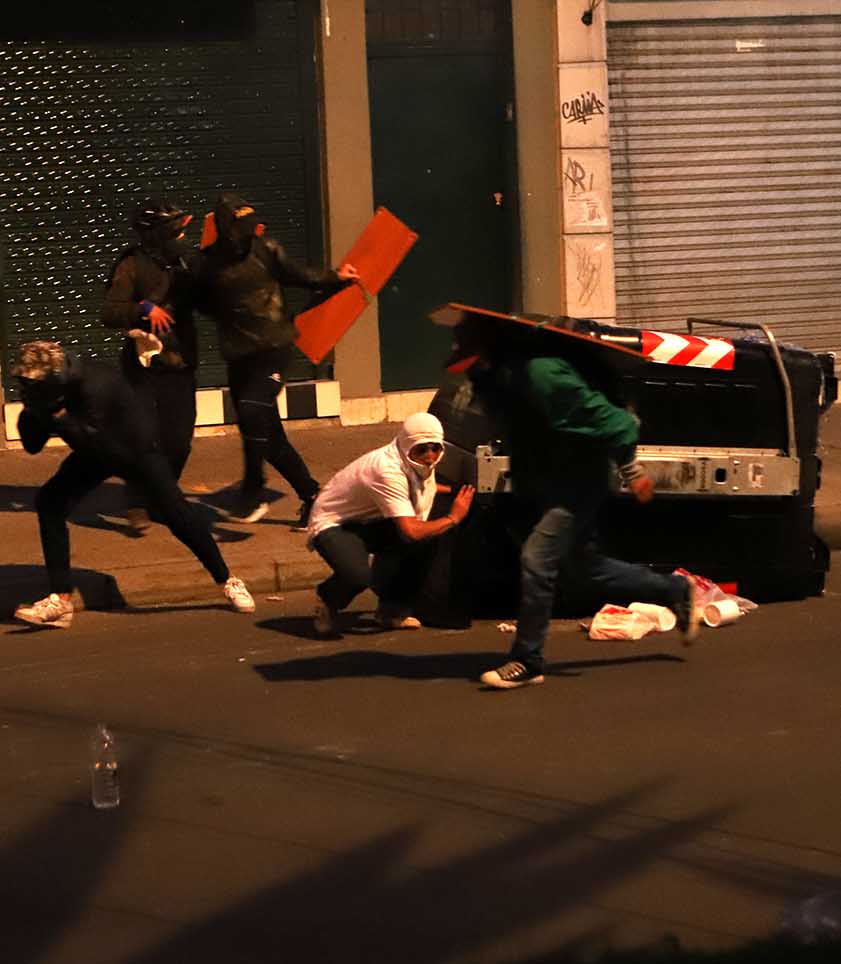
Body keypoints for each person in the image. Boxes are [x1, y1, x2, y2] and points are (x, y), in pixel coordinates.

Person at [453, 320, 699, 690]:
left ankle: (527, 659)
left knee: (537, 559)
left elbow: (617, 422)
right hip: (546, 483)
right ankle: (675, 589)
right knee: (586, 569)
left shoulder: (542, 374)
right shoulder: (501, 376)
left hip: (577, 484)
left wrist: (632, 471)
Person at [9, 340, 256, 629]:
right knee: (50, 502)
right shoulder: (51, 398)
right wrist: (35, 415)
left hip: (132, 449)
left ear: (54, 380)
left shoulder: (94, 386)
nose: (27, 389)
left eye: (33, 384)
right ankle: (61, 601)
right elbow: (32, 445)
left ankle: (228, 580)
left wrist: (60, 419)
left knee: (176, 514)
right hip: (92, 448)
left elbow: (94, 445)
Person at [197, 193, 359, 529]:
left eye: (249, 228)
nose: (247, 234)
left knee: (254, 412)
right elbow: (201, 302)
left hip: (273, 348)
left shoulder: (266, 249)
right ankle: (314, 497)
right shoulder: (208, 264)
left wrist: (336, 276)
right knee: (266, 433)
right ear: (226, 230)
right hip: (239, 354)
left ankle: (254, 490)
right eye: (239, 228)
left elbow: (300, 275)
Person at [305, 413, 475, 637]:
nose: (430, 456)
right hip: (333, 523)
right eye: (422, 449)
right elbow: (411, 531)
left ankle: (391, 609)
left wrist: (455, 492)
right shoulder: (386, 469)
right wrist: (454, 516)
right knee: (357, 576)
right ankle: (327, 598)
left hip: (371, 519)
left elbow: (421, 486)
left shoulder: (411, 460)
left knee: (426, 539)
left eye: (435, 448)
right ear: (407, 445)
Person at [101, 197, 201, 531]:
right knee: (141, 437)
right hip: (142, 367)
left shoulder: (188, 262)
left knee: (179, 441)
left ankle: (162, 494)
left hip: (181, 363)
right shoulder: (131, 265)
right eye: (172, 231)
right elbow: (110, 311)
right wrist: (144, 308)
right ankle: (137, 503)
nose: (180, 237)